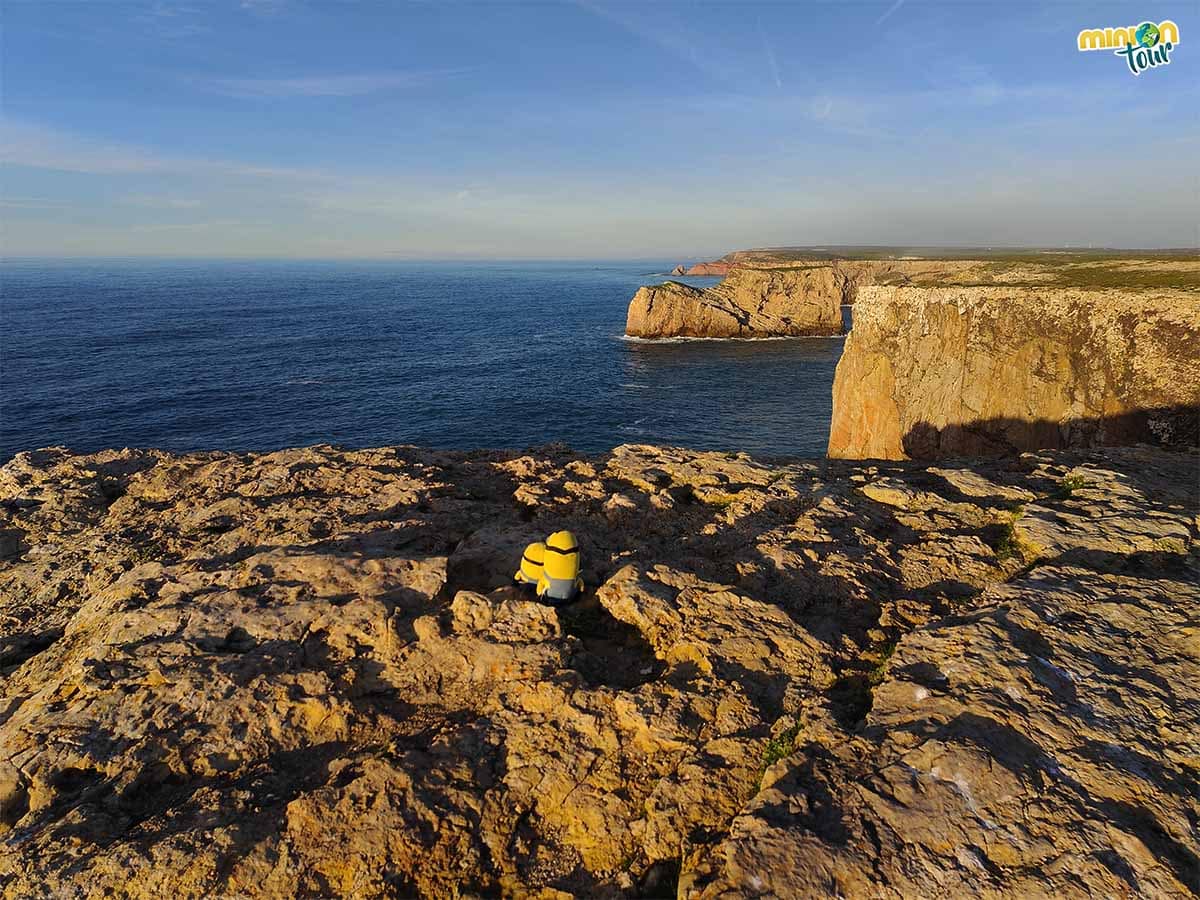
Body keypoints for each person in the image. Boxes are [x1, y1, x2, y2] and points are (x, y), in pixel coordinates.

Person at [536, 530, 584, 604]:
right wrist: (581, 593)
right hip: (569, 594)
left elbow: (540, 585)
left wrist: (539, 595)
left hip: (550, 594)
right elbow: (581, 584)